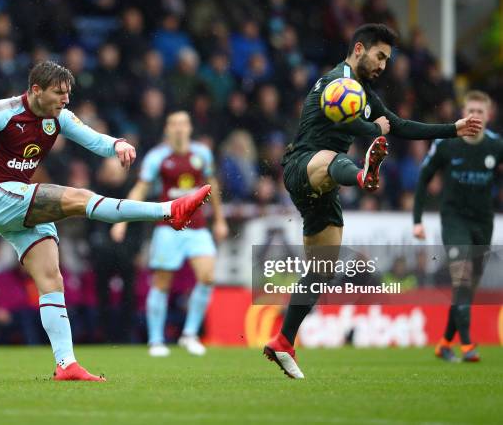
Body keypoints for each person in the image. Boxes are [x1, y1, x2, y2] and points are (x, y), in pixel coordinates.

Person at [0, 61, 211, 381]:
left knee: (52, 279)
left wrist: (117, 145)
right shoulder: (2, 111)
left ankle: (66, 364)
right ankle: (169, 210)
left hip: (19, 205)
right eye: (59, 93)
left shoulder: (59, 118)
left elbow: (94, 139)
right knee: (80, 198)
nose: (65, 100)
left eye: (68, 93)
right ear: (36, 90)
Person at [263, 23, 482, 379]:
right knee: (333, 158)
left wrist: (451, 129)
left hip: (326, 184)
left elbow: (398, 125)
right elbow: (357, 124)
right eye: (380, 56)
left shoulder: (361, 91)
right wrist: (373, 130)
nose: (384, 65)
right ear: (360, 49)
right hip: (304, 166)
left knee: (321, 269)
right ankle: (364, 174)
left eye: (388, 59)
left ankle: (284, 341)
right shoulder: (335, 83)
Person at [110, 111, 228, 357]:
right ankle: (155, 340)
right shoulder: (157, 157)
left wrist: (219, 219)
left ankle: (189, 335)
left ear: (190, 128)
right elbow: (141, 188)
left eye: (183, 124)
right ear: (167, 129)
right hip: (168, 228)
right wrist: (121, 219)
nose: (179, 128)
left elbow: (211, 185)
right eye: (174, 124)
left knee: (207, 277)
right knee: (163, 283)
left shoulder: (202, 154)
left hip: (197, 227)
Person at [413, 90, 502, 363]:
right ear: (464, 114)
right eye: (471, 110)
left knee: (467, 288)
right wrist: (416, 220)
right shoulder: (446, 143)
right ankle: (467, 344)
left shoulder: (496, 146)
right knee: (461, 277)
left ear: (489, 116)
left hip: (483, 221)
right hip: (453, 219)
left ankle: (443, 344)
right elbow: (424, 177)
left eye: (480, 111)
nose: (475, 115)